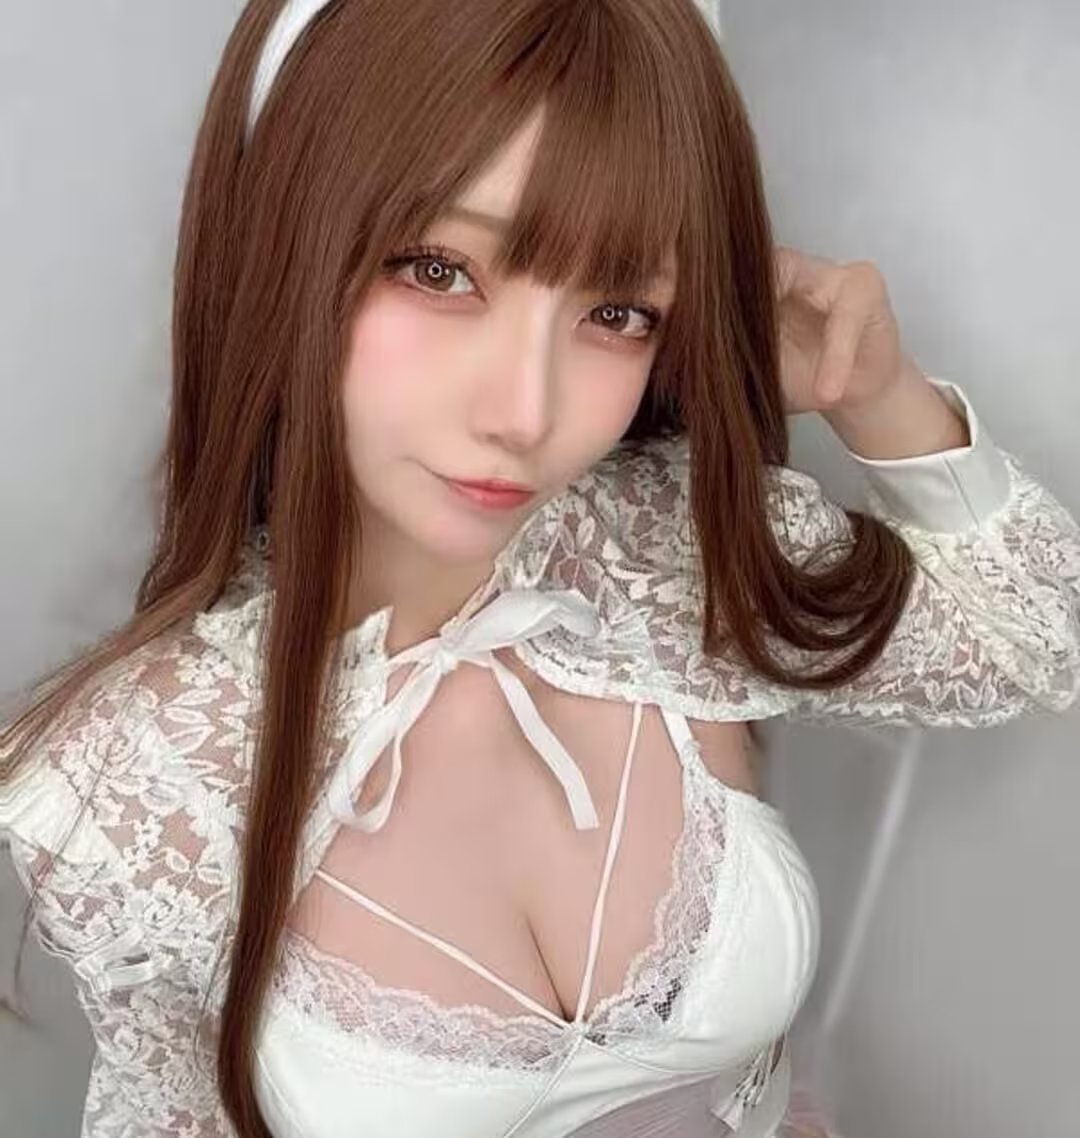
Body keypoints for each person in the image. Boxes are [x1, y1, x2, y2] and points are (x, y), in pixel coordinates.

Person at [1, 1, 1077, 1136]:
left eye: (617, 310)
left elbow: (1029, 637)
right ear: (283, 242)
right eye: (438, 269)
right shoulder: (130, 779)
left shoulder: (655, 550)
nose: (526, 412)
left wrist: (880, 394)